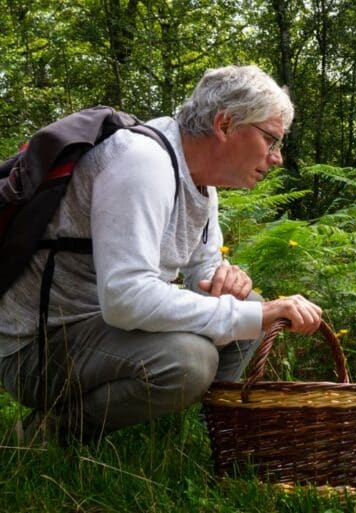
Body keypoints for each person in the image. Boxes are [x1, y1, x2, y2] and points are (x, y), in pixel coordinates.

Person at [0, 65, 323, 444]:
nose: (277, 157)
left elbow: (203, 268)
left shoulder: (200, 181)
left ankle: (214, 437)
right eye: (271, 140)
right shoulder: (142, 162)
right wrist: (252, 315)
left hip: (101, 333)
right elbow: (126, 298)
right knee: (190, 360)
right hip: (35, 351)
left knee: (244, 304)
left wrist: (225, 278)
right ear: (225, 125)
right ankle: (44, 436)